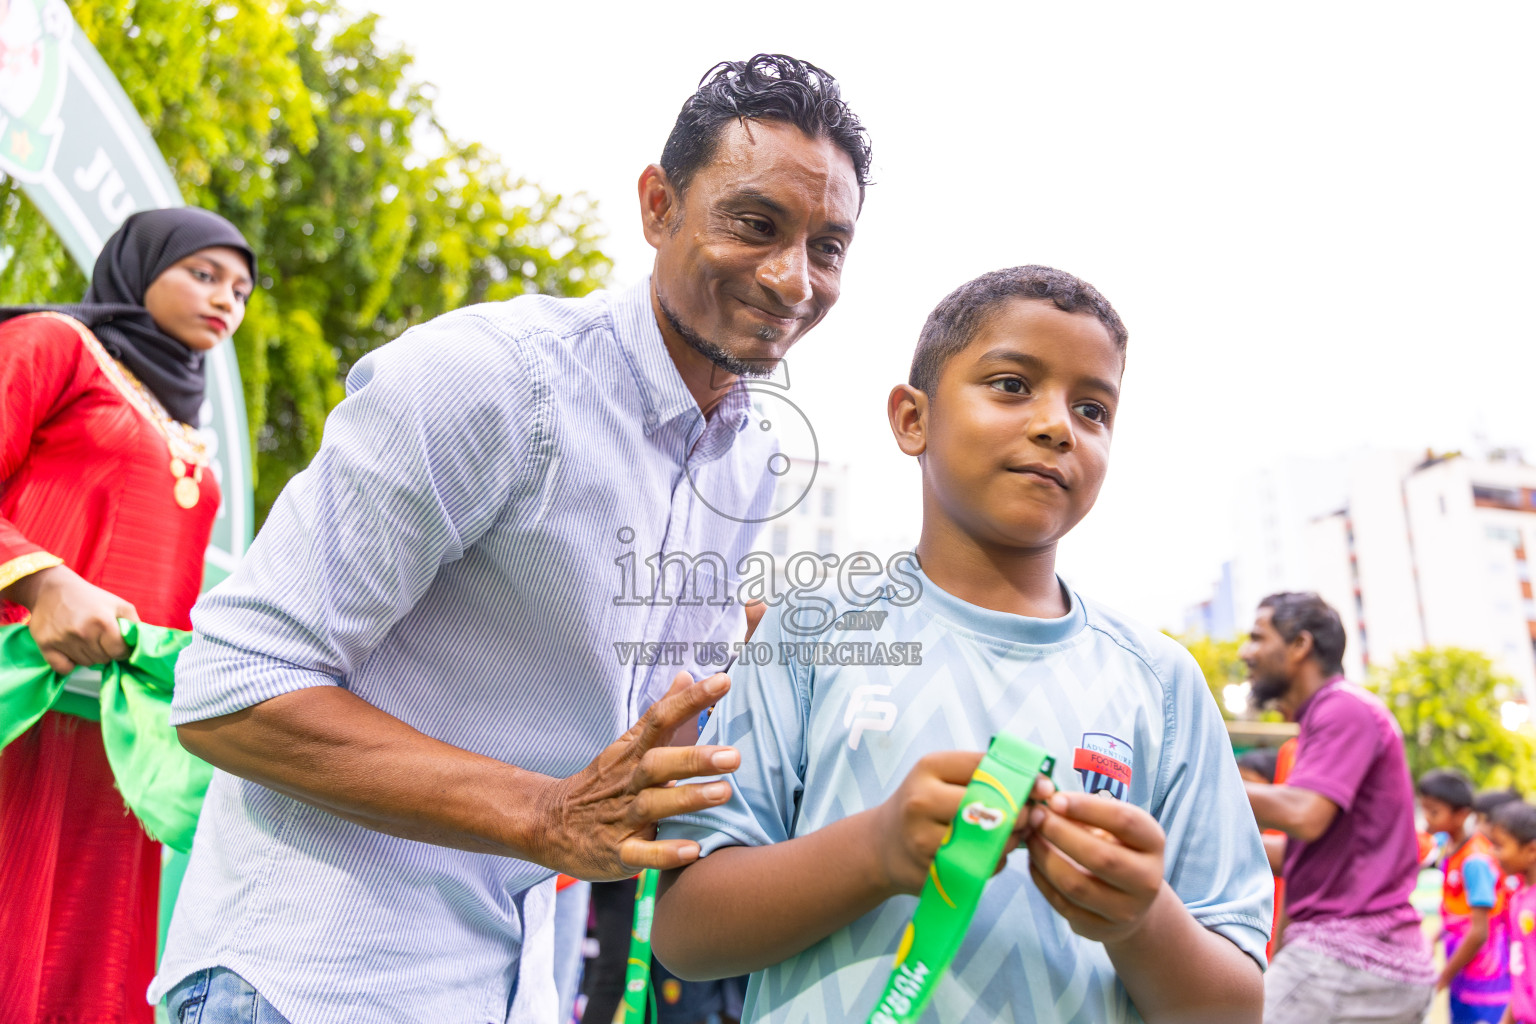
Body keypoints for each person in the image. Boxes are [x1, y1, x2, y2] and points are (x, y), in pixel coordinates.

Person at [149, 54, 872, 1022]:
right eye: (756, 224)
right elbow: (230, 687)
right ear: (658, 206)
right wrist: (545, 815)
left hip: (508, 986)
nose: (793, 278)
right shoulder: (495, 380)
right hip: (306, 979)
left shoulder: (745, 460)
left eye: (828, 246)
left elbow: (641, 745)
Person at [651, 266, 1271, 1022]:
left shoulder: (1162, 682)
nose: (1057, 425)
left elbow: (1234, 1009)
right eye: (1012, 384)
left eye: (1092, 408)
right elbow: (683, 931)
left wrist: (1141, 919)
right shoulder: (813, 631)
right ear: (913, 419)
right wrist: (874, 849)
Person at [0, 207, 256, 1024]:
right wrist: (40, 583)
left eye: (242, 289)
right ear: (140, 267)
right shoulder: (54, 345)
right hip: (22, 703)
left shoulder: (188, 427)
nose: (227, 300)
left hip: (123, 738)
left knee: (96, 955)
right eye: (205, 274)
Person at [1242, 592, 1435, 1023]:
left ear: (1300, 646)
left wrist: (1201, 785)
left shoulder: (1342, 706)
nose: (1245, 652)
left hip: (1350, 956)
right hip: (1369, 961)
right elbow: (1300, 855)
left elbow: (1304, 816)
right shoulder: (1325, 717)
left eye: (1257, 637)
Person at [1420, 768, 1512, 1022]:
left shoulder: (1475, 861)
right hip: (1461, 966)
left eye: (1434, 812)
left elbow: (1478, 930)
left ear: (1461, 815)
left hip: (1483, 976)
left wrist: (1443, 979)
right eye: (1424, 809)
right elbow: (1455, 912)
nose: (1426, 819)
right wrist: (1432, 939)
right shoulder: (1448, 848)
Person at [1489, 801, 1536, 1024]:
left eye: (1499, 846)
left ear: (1531, 850)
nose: (1493, 852)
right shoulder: (1518, 898)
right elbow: (1522, 972)